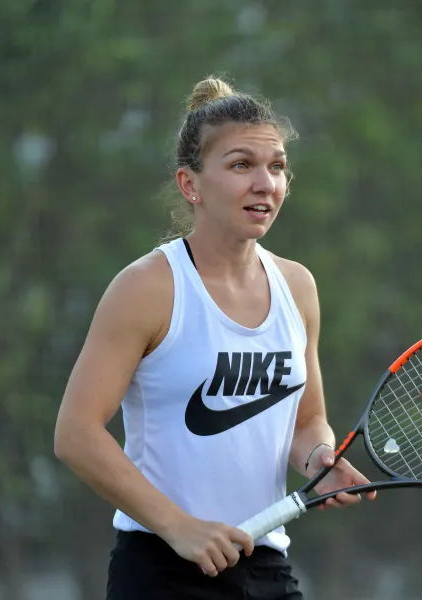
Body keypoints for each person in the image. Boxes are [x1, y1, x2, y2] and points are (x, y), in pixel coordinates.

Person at [54, 76, 376, 600]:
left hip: (266, 564)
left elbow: (306, 421)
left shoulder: (298, 286)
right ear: (190, 185)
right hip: (163, 571)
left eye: (277, 167)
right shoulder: (147, 287)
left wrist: (319, 456)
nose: (265, 183)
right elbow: (75, 434)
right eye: (241, 165)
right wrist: (178, 526)